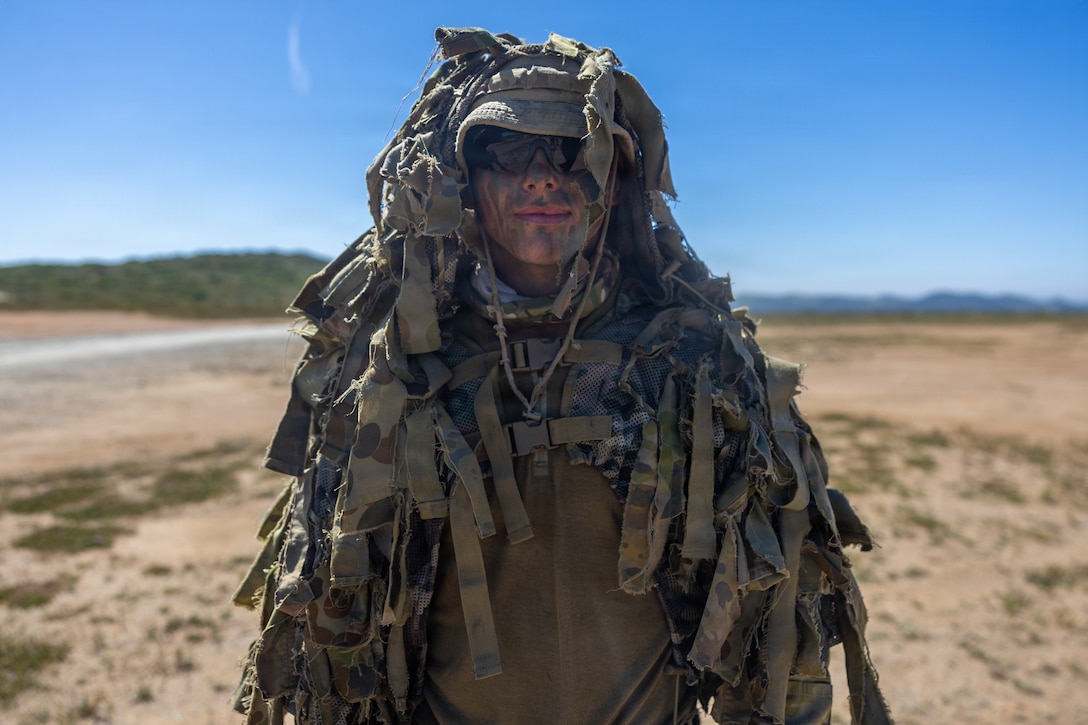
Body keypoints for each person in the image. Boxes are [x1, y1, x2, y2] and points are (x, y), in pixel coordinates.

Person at [232, 27, 893, 725]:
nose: (542, 174)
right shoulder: (393, 376)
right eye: (507, 148)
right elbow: (329, 629)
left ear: (616, 179)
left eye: (573, 149)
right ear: (462, 179)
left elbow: (781, 630)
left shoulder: (697, 365)